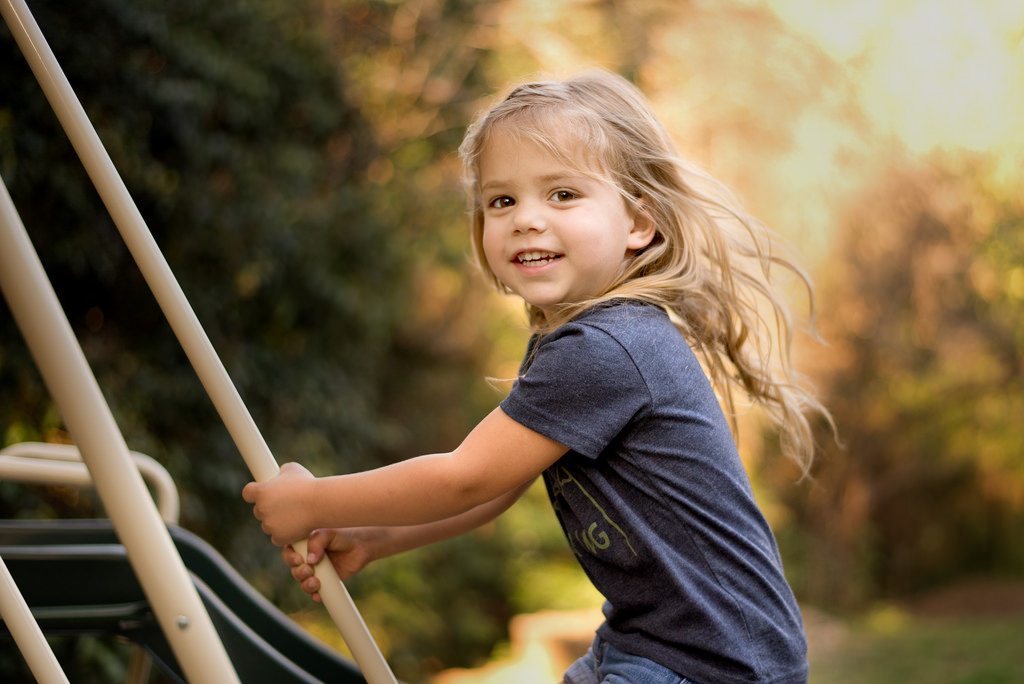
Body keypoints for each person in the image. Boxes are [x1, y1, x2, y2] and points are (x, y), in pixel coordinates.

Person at [243, 68, 831, 684]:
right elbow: (498, 489)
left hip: (711, 664)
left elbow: (465, 478)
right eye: (502, 200)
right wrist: (375, 538)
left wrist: (312, 500)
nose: (526, 219)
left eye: (562, 194)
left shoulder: (607, 346)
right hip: (649, 641)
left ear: (638, 223)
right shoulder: (578, 340)